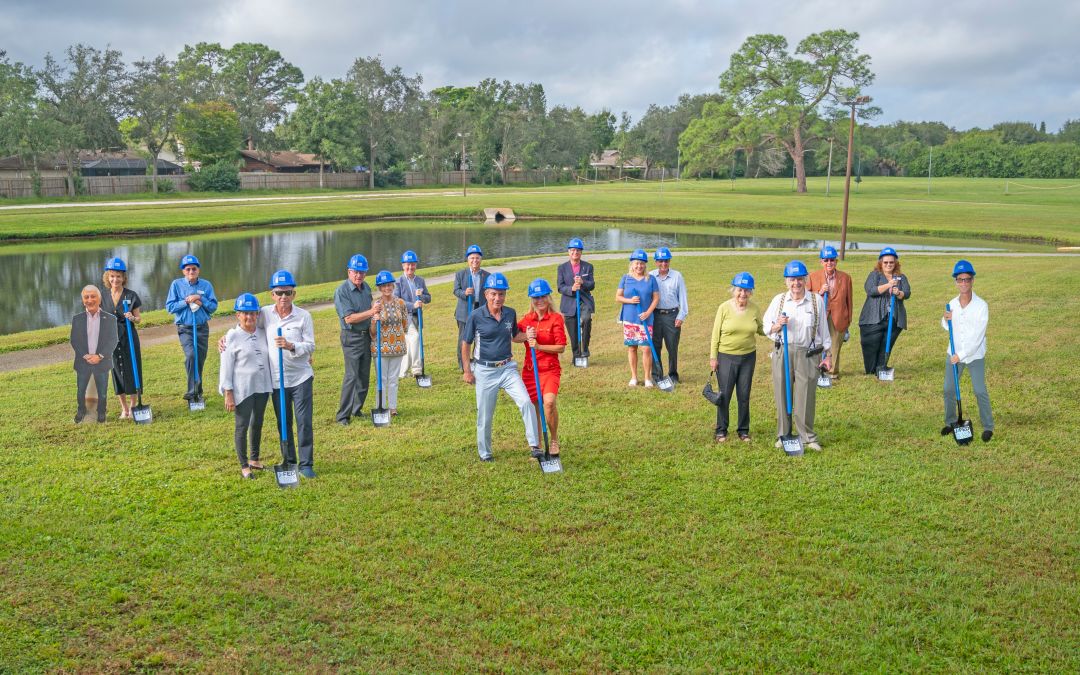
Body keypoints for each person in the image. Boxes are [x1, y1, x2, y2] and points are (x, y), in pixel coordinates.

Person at [461, 273, 541, 462]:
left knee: (526, 402)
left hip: (507, 368)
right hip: (485, 371)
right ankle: (485, 453)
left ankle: (534, 446)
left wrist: (528, 335)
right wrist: (467, 370)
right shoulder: (476, 316)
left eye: (502, 294)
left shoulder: (510, 313)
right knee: (485, 415)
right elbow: (466, 344)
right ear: (487, 294)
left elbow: (514, 336)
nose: (498, 298)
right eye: (494, 294)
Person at [762, 261, 831, 451]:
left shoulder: (816, 301)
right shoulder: (779, 300)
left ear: (806, 280)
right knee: (783, 393)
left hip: (808, 354)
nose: (796, 284)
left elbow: (823, 333)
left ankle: (807, 436)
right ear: (786, 281)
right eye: (792, 280)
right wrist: (778, 324)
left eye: (800, 279)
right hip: (783, 351)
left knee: (806, 394)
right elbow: (766, 327)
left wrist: (828, 355)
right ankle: (783, 435)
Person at [263, 270, 317, 478]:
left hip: (301, 377)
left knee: (303, 421)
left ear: (294, 294)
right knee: (283, 422)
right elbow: (245, 325)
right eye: (279, 293)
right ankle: (289, 460)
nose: (283, 297)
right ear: (272, 295)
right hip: (277, 380)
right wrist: (226, 338)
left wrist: (291, 345)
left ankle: (305, 464)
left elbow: (310, 345)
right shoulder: (265, 314)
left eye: (287, 292)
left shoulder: (304, 316)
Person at [219, 293, 272, 479]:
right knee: (242, 426)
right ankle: (244, 465)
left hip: (262, 386)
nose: (249, 317)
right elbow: (226, 367)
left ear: (257, 314)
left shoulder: (263, 333)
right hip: (243, 388)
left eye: (253, 313)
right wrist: (228, 392)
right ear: (237, 315)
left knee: (257, 422)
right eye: (245, 314)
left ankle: (254, 459)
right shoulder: (231, 336)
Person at [941, 260, 995, 442]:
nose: (963, 283)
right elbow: (948, 327)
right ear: (956, 281)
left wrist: (961, 355)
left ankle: (988, 426)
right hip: (953, 353)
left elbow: (977, 337)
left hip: (973, 355)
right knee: (948, 389)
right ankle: (950, 422)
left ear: (973, 281)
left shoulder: (981, 306)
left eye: (967, 279)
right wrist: (945, 319)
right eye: (960, 279)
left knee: (979, 390)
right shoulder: (952, 303)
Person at [709, 272, 765, 443]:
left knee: (744, 394)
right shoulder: (724, 308)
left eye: (747, 291)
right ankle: (721, 430)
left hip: (748, 357)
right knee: (725, 394)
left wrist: (776, 328)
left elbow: (761, 329)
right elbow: (715, 334)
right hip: (726, 357)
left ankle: (743, 430)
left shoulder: (754, 308)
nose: (743, 294)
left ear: (751, 292)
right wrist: (713, 357)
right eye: (740, 290)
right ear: (734, 290)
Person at [519, 278, 567, 456]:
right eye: (536, 297)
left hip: (549, 369)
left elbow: (561, 346)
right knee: (534, 409)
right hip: (531, 371)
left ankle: (553, 439)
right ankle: (537, 445)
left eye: (543, 297)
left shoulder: (555, 318)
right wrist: (525, 335)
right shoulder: (527, 319)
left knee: (549, 403)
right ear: (532, 299)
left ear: (548, 297)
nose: (540, 301)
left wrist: (538, 346)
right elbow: (514, 335)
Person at [334, 254, 381, 425]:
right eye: (355, 272)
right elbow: (349, 319)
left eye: (362, 272)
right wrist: (371, 312)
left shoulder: (366, 288)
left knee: (363, 376)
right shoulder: (342, 291)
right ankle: (342, 416)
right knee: (351, 376)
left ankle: (356, 409)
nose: (358, 276)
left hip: (366, 336)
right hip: (351, 337)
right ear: (349, 271)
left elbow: (370, 312)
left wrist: (374, 320)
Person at [164, 254, 218, 402]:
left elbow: (213, 307)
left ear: (198, 270)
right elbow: (170, 307)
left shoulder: (206, 286)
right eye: (187, 269)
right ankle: (191, 392)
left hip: (201, 328)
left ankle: (198, 390)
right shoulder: (176, 285)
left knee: (199, 359)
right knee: (191, 356)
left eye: (194, 268)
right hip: (185, 328)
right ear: (183, 271)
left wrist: (200, 299)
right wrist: (186, 301)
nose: (191, 271)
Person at [100, 257, 143, 419]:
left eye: (118, 276)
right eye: (112, 276)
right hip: (110, 339)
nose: (115, 279)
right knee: (116, 371)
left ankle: (133, 407)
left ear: (124, 277)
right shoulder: (102, 296)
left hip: (129, 337)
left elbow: (139, 319)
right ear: (107, 277)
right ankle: (124, 409)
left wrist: (132, 317)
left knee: (132, 370)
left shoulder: (131, 296)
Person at [858, 247, 912, 375]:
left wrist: (898, 292)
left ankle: (881, 368)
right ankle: (871, 370)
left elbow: (907, 293)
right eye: (885, 262)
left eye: (891, 262)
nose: (888, 265)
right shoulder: (874, 275)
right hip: (873, 318)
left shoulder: (901, 277)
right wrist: (888, 285)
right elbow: (870, 290)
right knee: (871, 344)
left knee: (886, 344)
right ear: (880, 263)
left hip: (893, 318)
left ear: (895, 263)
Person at [71, 285, 118, 423]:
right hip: (83, 361)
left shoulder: (110, 319)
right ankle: (81, 411)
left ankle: (101, 412)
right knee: (81, 391)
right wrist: (86, 356)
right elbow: (74, 340)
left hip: (102, 361)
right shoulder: (77, 319)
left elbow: (113, 340)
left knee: (102, 392)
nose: (90, 300)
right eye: (86, 297)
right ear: (82, 300)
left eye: (93, 296)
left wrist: (100, 356)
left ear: (99, 299)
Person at [807, 245, 853, 380]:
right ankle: (816, 370)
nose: (829, 263)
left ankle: (831, 372)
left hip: (838, 317)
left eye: (832, 260)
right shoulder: (812, 277)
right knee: (817, 343)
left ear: (836, 262)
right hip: (819, 315)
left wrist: (848, 320)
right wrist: (819, 292)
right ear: (821, 262)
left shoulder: (845, 278)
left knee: (834, 345)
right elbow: (806, 297)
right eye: (826, 260)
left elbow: (849, 300)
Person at [616, 249, 660, 387]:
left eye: (641, 263)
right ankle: (634, 377)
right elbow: (618, 297)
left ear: (645, 265)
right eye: (636, 263)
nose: (639, 266)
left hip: (646, 319)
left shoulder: (650, 279)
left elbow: (656, 298)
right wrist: (630, 300)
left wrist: (648, 312)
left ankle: (647, 378)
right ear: (632, 264)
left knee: (646, 349)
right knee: (632, 348)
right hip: (629, 318)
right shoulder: (625, 278)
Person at [371, 270, 409, 415]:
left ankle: (392, 407)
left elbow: (405, 324)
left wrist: (398, 334)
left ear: (393, 286)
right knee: (382, 379)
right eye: (384, 286)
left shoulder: (400, 303)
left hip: (397, 346)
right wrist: (375, 321)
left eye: (389, 285)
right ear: (379, 288)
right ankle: (381, 405)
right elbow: (372, 331)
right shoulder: (376, 304)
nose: (387, 288)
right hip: (380, 347)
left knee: (393, 379)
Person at [649, 247, 689, 383]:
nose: (663, 264)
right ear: (655, 262)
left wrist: (681, 316)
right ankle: (657, 375)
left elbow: (683, 298)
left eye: (666, 261)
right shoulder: (650, 276)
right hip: (655, 315)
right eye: (660, 261)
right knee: (655, 346)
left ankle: (673, 375)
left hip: (672, 315)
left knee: (672, 346)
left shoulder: (677, 276)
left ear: (669, 261)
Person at [394, 250, 432, 379]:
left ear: (416, 265)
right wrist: (412, 305)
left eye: (413, 264)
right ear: (403, 265)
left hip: (417, 316)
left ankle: (402, 372)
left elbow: (428, 298)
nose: (410, 267)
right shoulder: (398, 281)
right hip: (404, 317)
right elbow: (396, 301)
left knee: (411, 344)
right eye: (407, 264)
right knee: (415, 338)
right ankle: (417, 369)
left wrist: (421, 296)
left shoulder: (420, 280)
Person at [556, 237, 595, 359]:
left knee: (586, 320)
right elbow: (560, 287)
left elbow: (592, 285)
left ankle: (585, 350)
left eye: (578, 250)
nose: (575, 253)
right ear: (568, 252)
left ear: (581, 252)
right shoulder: (562, 268)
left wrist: (583, 282)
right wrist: (571, 289)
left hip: (584, 301)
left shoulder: (588, 267)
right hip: (569, 303)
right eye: (573, 250)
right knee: (573, 332)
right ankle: (576, 355)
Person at [453, 244, 490, 372]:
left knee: (479, 336)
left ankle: (476, 361)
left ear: (481, 259)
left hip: (480, 310)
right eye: (472, 258)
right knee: (464, 337)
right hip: (464, 311)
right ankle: (463, 363)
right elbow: (456, 291)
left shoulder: (487, 275)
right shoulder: (461, 274)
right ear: (468, 259)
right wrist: (465, 293)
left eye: (477, 258)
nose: (475, 260)